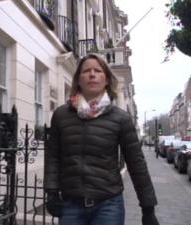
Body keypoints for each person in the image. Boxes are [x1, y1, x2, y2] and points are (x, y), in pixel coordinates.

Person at [44, 53, 159, 225]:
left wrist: (148, 207)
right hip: (71, 205)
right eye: (86, 71)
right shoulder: (61, 115)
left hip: (108, 205)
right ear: (78, 80)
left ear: (106, 80)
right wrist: (51, 190)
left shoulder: (120, 118)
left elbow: (136, 163)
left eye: (97, 70)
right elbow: (53, 154)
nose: (92, 74)